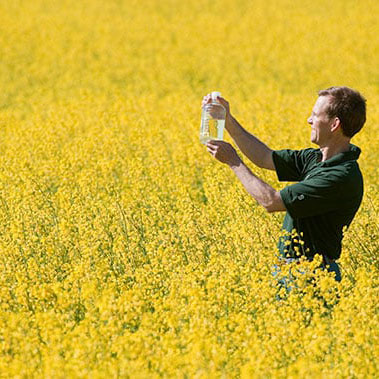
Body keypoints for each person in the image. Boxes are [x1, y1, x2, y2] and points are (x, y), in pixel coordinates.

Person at [203, 86, 366, 282]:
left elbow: (271, 202)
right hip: (289, 270)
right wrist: (228, 120)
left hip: (313, 276)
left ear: (334, 124)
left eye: (315, 115)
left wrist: (233, 162)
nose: (309, 120)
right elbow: (264, 157)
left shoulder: (340, 176)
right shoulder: (315, 158)